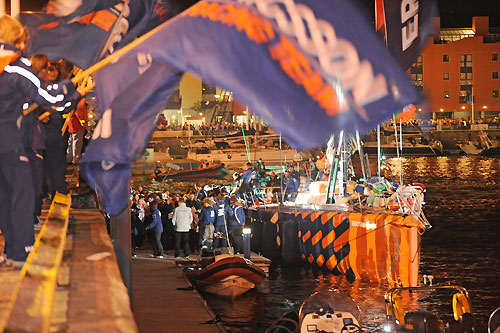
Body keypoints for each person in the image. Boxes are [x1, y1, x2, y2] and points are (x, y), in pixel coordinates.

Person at [0, 15, 88, 267]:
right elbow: (51, 98)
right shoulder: (16, 67)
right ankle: (19, 252)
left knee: (4, 196)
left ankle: (8, 251)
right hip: (12, 141)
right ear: (16, 38)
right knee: (23, 193)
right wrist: (76, 89)